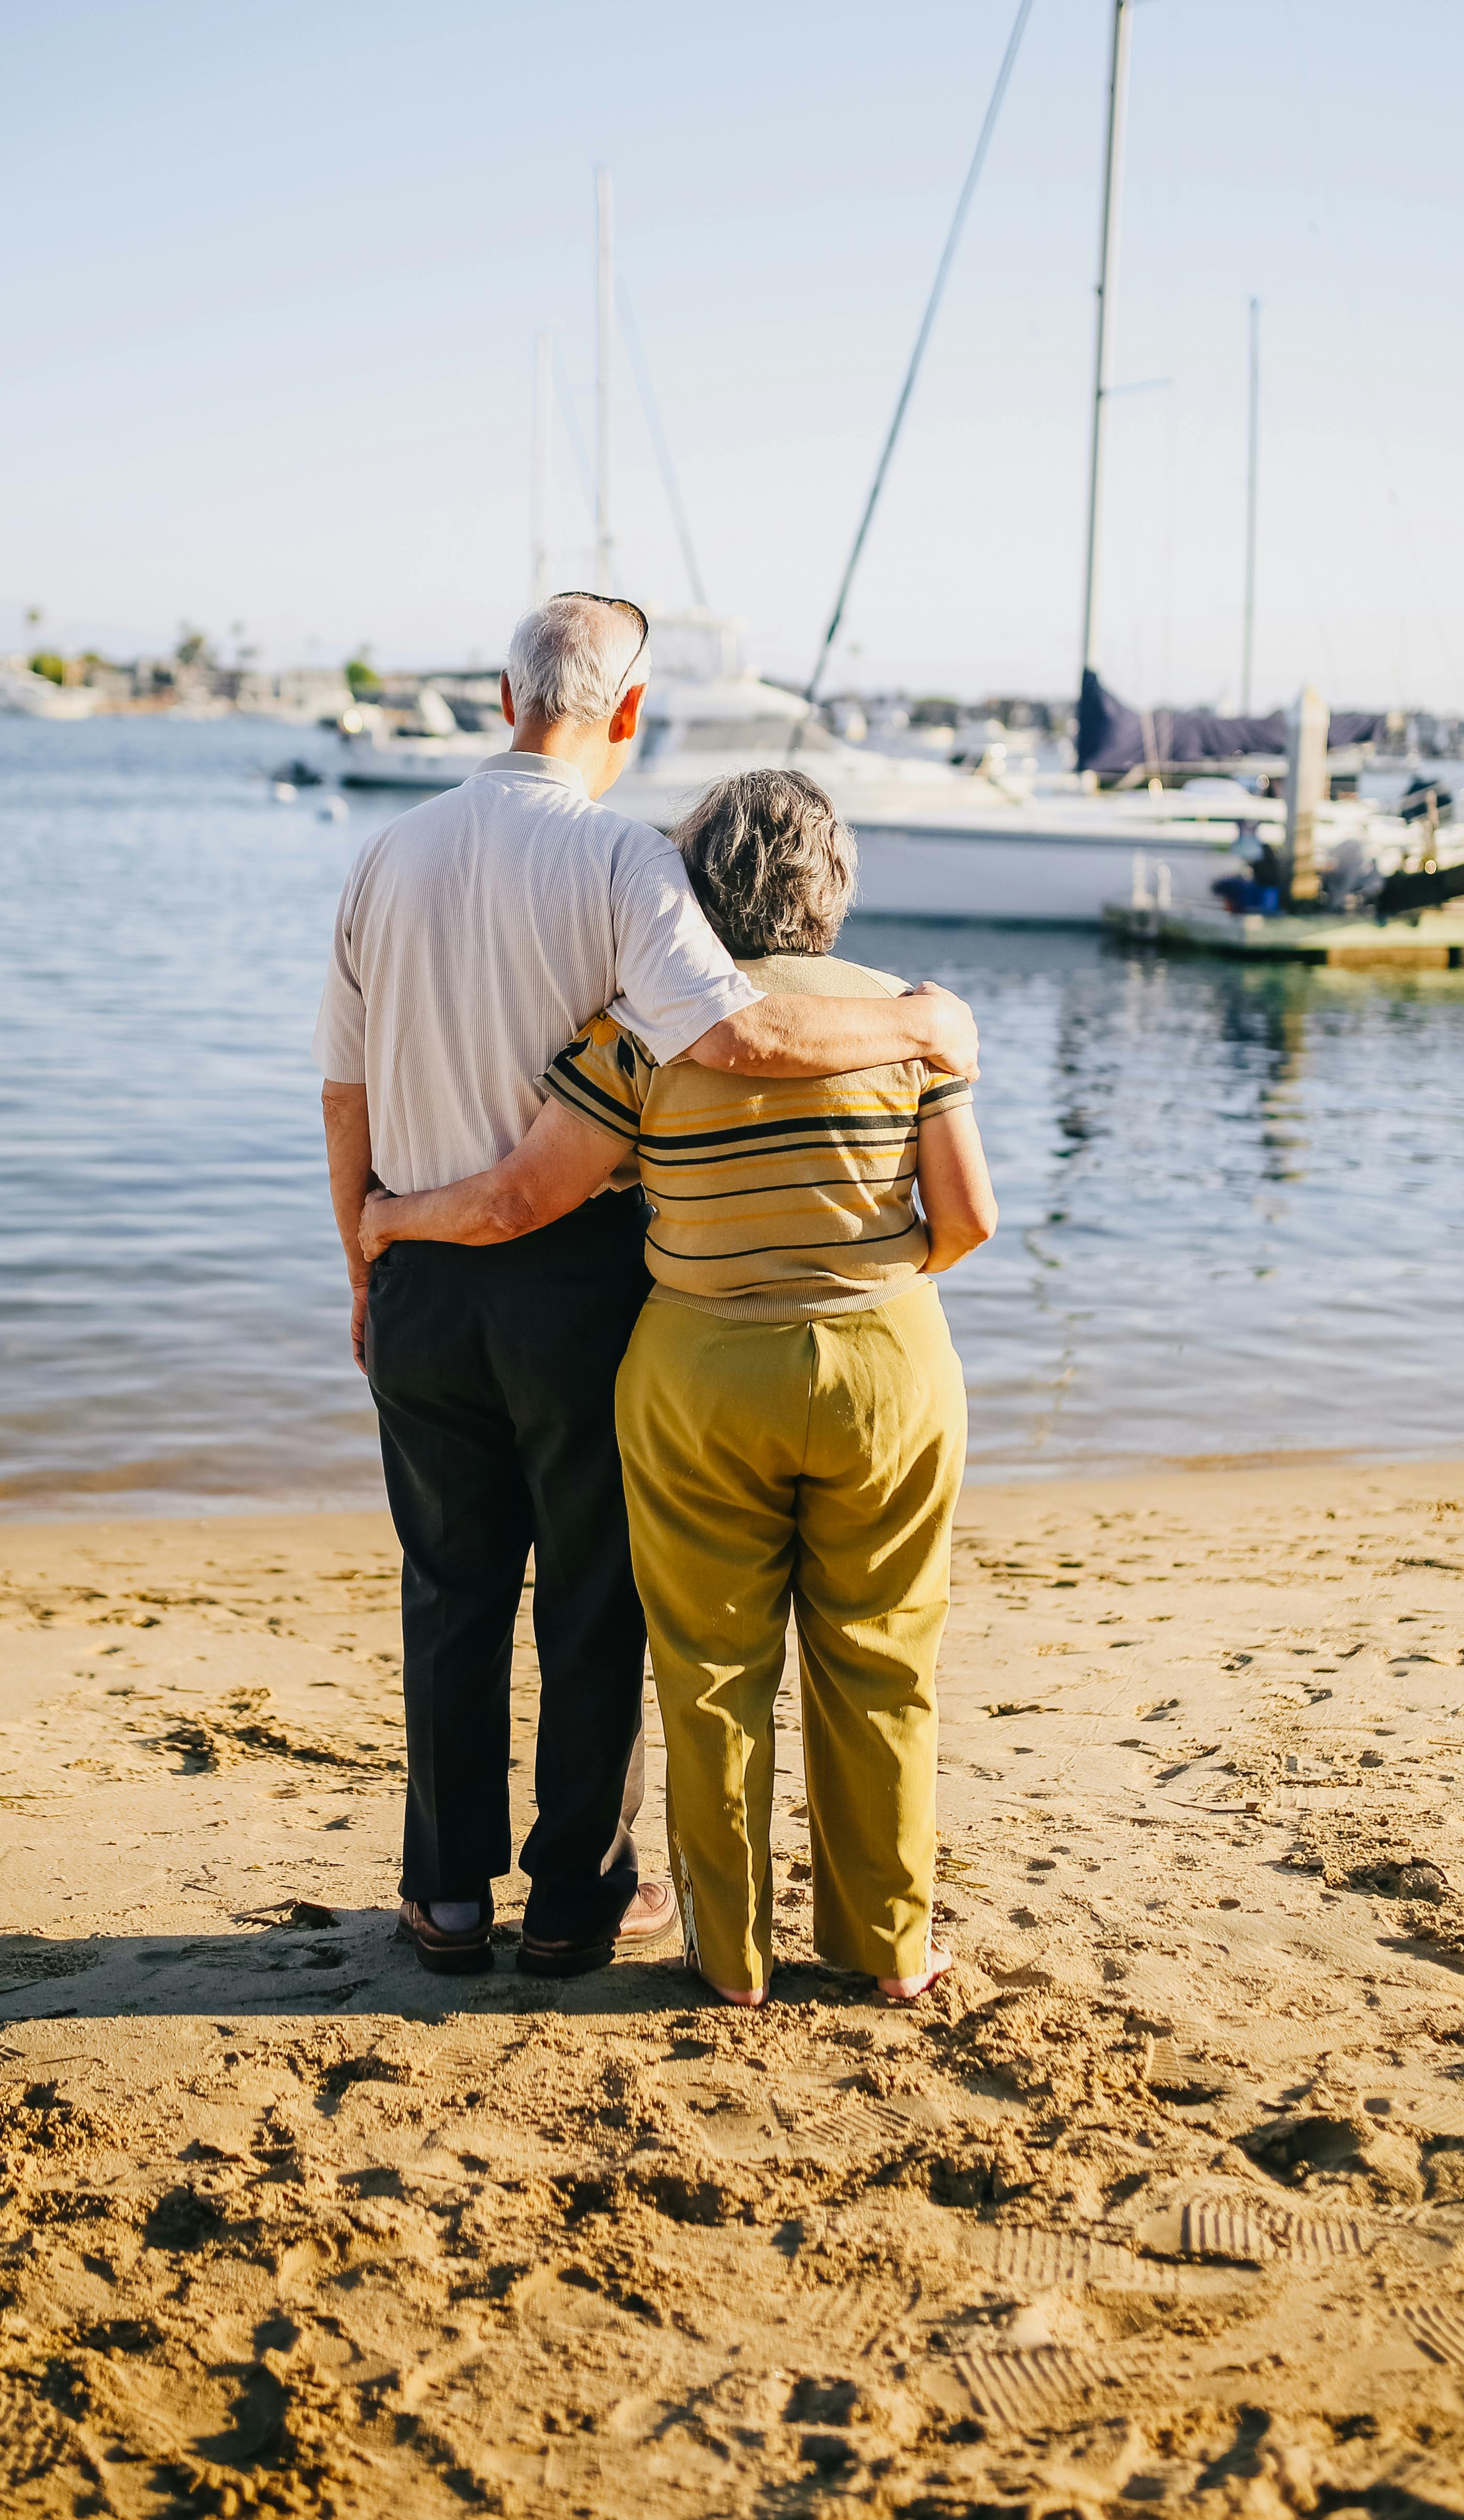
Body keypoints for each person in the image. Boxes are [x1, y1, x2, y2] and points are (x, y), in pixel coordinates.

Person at [315, 599, 980, 1980]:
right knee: (591, 1599)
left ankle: (444, 1900)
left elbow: (346, 1093)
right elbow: (738, 1027)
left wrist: (365, 1254)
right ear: (624, 714)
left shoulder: (385, 855)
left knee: (448, 1590)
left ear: (505, 697)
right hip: (576, 1284)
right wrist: (921, 1028)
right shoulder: (624, 858)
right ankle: (573, 1902)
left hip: (422, 1269)